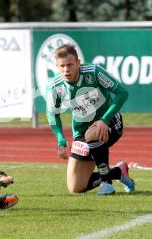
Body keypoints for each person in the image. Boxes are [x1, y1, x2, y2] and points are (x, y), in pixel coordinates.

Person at [46, 43, 135, 195]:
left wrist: (104, 120)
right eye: (62, 66)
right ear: (57, 66)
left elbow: (122, 93)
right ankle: (117, 172)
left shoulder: (93, 72)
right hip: (81, 131)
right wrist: (60, 139)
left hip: (110, 122)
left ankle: (107, 185)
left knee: (92, 134)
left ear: (78, 63)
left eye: (70, 65)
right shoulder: (55, 86)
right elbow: (52, 114)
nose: (66, 69)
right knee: (76, 187)